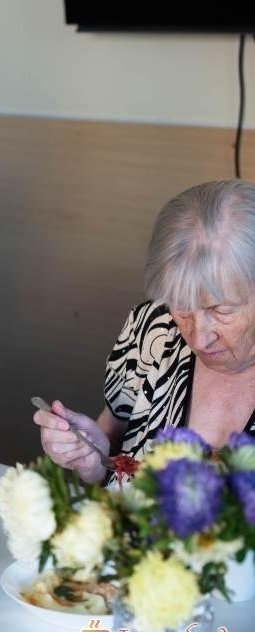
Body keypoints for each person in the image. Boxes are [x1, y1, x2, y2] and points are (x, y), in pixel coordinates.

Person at [34, 179, 255, 483]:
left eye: (221, 310)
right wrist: (91, 455)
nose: (199, 338)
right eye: (182, 307)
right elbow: (114, 444)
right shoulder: (154, 330)